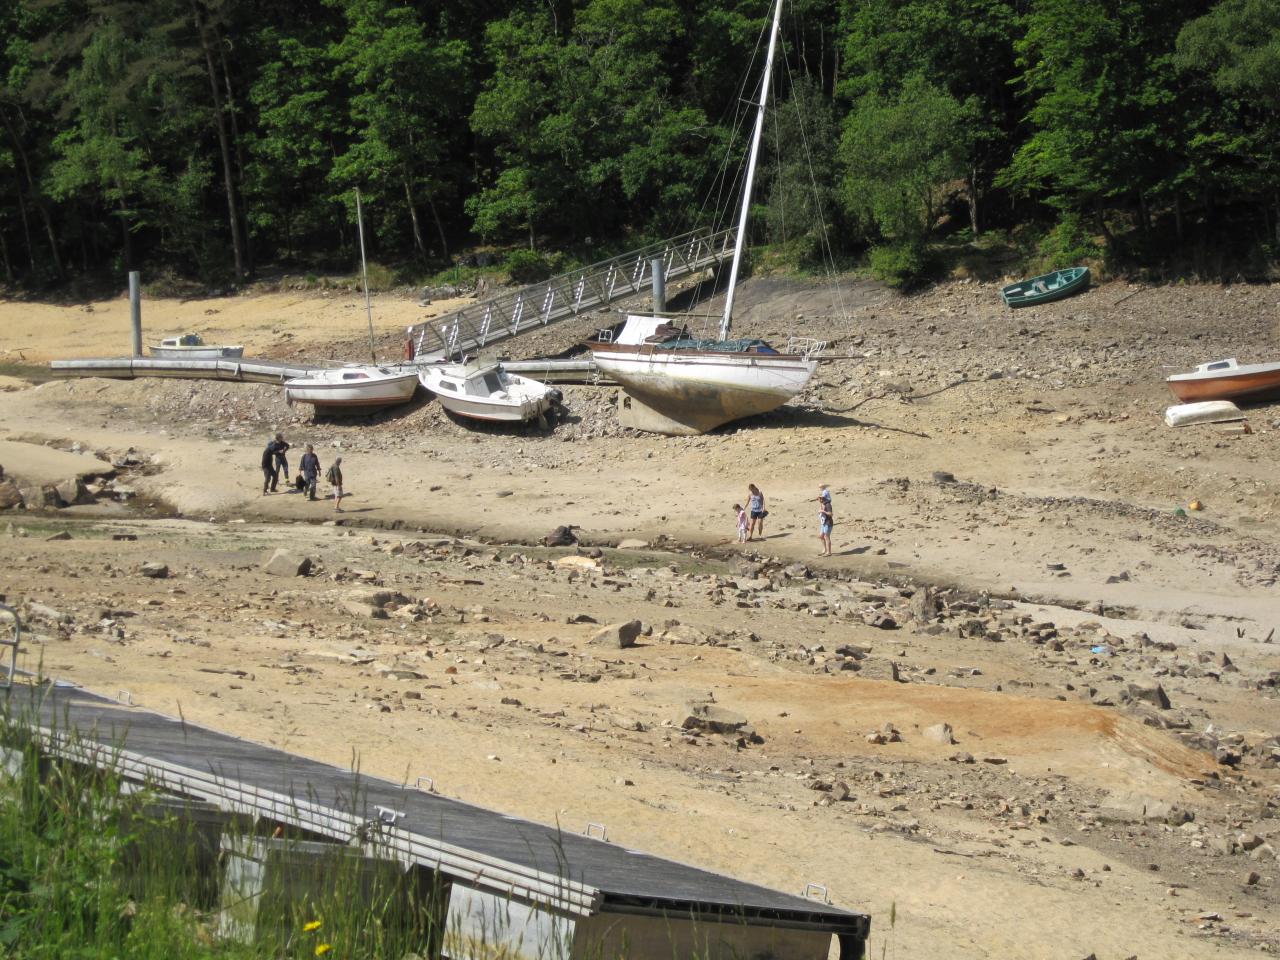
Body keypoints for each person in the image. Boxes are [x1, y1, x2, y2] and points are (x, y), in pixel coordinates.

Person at [816, 487, 833, 556]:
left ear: (823, 498)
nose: (818, 499)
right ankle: (824, 550)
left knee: (826, 536)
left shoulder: (828, 505)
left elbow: (831, 514)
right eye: (818, 498)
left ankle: (829, 552)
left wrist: (823, 511)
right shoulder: (822, 504)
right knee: (821, 536)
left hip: (828, 523)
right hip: (823, 523)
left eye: (819, 498)